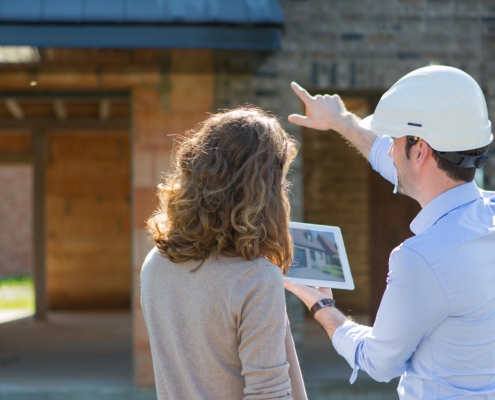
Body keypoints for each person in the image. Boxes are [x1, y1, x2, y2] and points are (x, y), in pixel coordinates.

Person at [284, 65, 495, 399]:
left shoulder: (422, 258)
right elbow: (387, 157)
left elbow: (379, 362)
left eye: (396, 140)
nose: (391, 149)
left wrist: (322, 305)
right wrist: (340, 120)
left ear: (421, 150)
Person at [140, 106, 307, 400]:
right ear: (264, 188)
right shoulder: (254, 277)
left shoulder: (155, 263)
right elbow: (269, 394)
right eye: (280, 177)